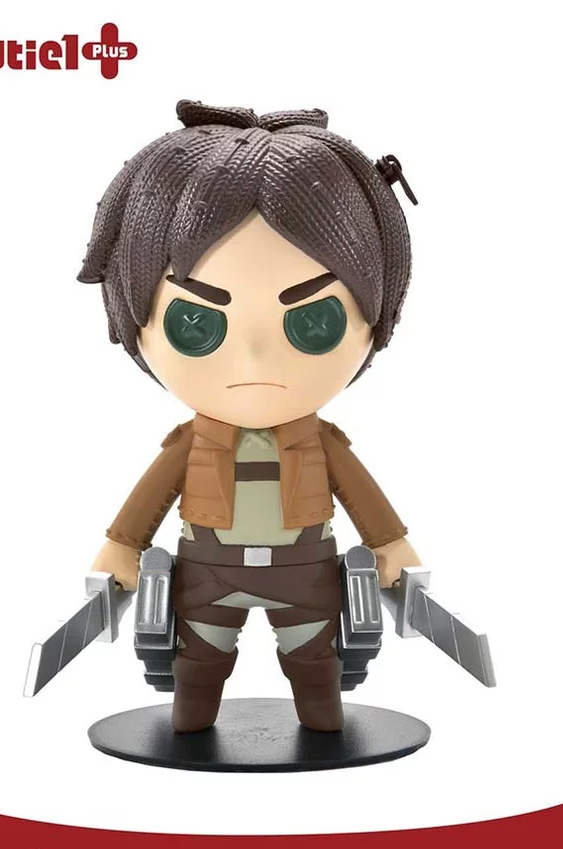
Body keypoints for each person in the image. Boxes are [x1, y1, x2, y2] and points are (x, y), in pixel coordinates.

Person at [78, 100, 421, 733]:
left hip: (306, 571)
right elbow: (147, 501)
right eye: (197, 324)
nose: (256, 359)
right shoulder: (189, 444)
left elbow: (364, 498)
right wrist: (121, 547)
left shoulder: (323, 443)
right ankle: (190, 730)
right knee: (196, 667)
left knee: (316, 667)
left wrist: (390, 545)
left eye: (313, 322)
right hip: (208, 571)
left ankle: (324, 729)